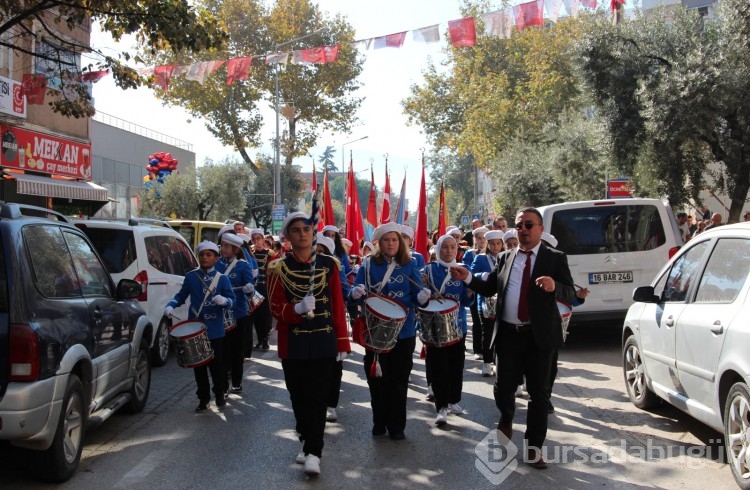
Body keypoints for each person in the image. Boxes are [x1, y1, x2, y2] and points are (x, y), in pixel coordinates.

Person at [450, 207, 576, 469]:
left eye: (529, 225)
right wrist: (469, 278)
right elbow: (490, 286)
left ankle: (533, 447)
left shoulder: (555, 258)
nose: (524, 230)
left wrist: (555, 287)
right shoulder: (506, 257)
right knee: (503, 388)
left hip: (539, 337)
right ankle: (506, 418)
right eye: (519, 226)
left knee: (538, 395)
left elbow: (570, 291)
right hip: (509, 334)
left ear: (540, 229)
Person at [266, 212, 351, 476]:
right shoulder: (278, 267)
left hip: (324, 342)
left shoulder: (329, 264)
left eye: (306, 229)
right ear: (288, 236)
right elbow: (275, 307)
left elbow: (338, 305)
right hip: (294, 343)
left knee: (318, 398)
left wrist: (342, 343)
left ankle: (314, 451)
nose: (302, 234)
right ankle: (305, 438)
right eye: (296, 230)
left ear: (313, 233)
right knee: (299, 398)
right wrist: (297, 308)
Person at [349, 221, 429, 440]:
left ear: (400, 243)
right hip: (375, 331)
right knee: (376, 379)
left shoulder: (410, 264)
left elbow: (417, 295)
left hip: (404, 332)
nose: (391, 243)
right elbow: (354, 291)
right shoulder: (367, 265)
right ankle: (379, 422)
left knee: (399, 380)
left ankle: (397, 427)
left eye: (395, 240)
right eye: (387, 240)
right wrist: (355, 292)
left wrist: (421, 298)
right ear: (379, 243)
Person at [164, 241, 235, 412]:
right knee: (199, 366)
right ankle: (203, 398)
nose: (205, 257)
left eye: (209, 255)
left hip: (215, 330)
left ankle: (219, 394)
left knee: (216, 365)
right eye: (202, 255)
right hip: (195, 328)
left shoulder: (222, 278)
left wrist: (225, 301)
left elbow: (233, 300)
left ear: (216, 258)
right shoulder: (191, 276)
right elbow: (181, 296)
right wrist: (171, 305)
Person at [421, 234, 474, 426]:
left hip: (458, 324)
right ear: (438, 249)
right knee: (439, 367)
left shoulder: (463, 270)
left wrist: (469, 293)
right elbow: (421, 299)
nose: (450, 250)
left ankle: (453, 401)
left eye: (453, 247)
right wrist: (423, 292)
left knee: (456, 366)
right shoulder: (428, 270)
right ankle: (441, 406)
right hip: (435, 328)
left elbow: (467, 301)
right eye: (445, 247)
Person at [315, 233, 352, 424]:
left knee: (333, 368)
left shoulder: (335, 269)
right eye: (316, 251)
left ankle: (331, 405)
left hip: (330, 325)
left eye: (323, 252)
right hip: (308, 328)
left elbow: (343, 296)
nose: (318, 255)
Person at [215, 232, 256, 395]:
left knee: (237, 350)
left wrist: (249, 290)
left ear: (235, 249)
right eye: (222, 246)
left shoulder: (243, 266)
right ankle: (223, 385)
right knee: (222, 351)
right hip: (220, 314)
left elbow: (250, 289)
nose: (223, 249)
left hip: (238, 313)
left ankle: (237, 381)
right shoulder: (216, 265)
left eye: (226, 246)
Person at [470, 229, 505, 377]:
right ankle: (486, 363)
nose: (495, 247)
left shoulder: (506, 257)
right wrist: (480, 275)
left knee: (501, 335)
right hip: (484, 302)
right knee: (488, 333)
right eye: (492, 244)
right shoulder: (481, 258)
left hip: (502, 302)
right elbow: (471, 274)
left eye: (498, 243)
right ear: (488, 244)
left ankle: (498, 362)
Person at [463, 226, 488, 362]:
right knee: (477, 321)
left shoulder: (492, 254)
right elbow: (468, 272)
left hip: (489, 294)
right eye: (479, 238)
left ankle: (489, 350)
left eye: (484, 237)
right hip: (476, 292)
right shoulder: (470, 254)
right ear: (475, 239)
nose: (482, 240)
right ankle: (478, 349)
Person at [249, 228, 273, 354]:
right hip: (253, 289)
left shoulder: (269, 253)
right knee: (256, 315)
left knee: (265, 315)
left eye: (259, 238)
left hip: (265, 288)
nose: (256, 241)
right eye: (254, 239)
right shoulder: (249, 253)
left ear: (263, 240)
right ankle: (259, 340)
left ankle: (265, 339)